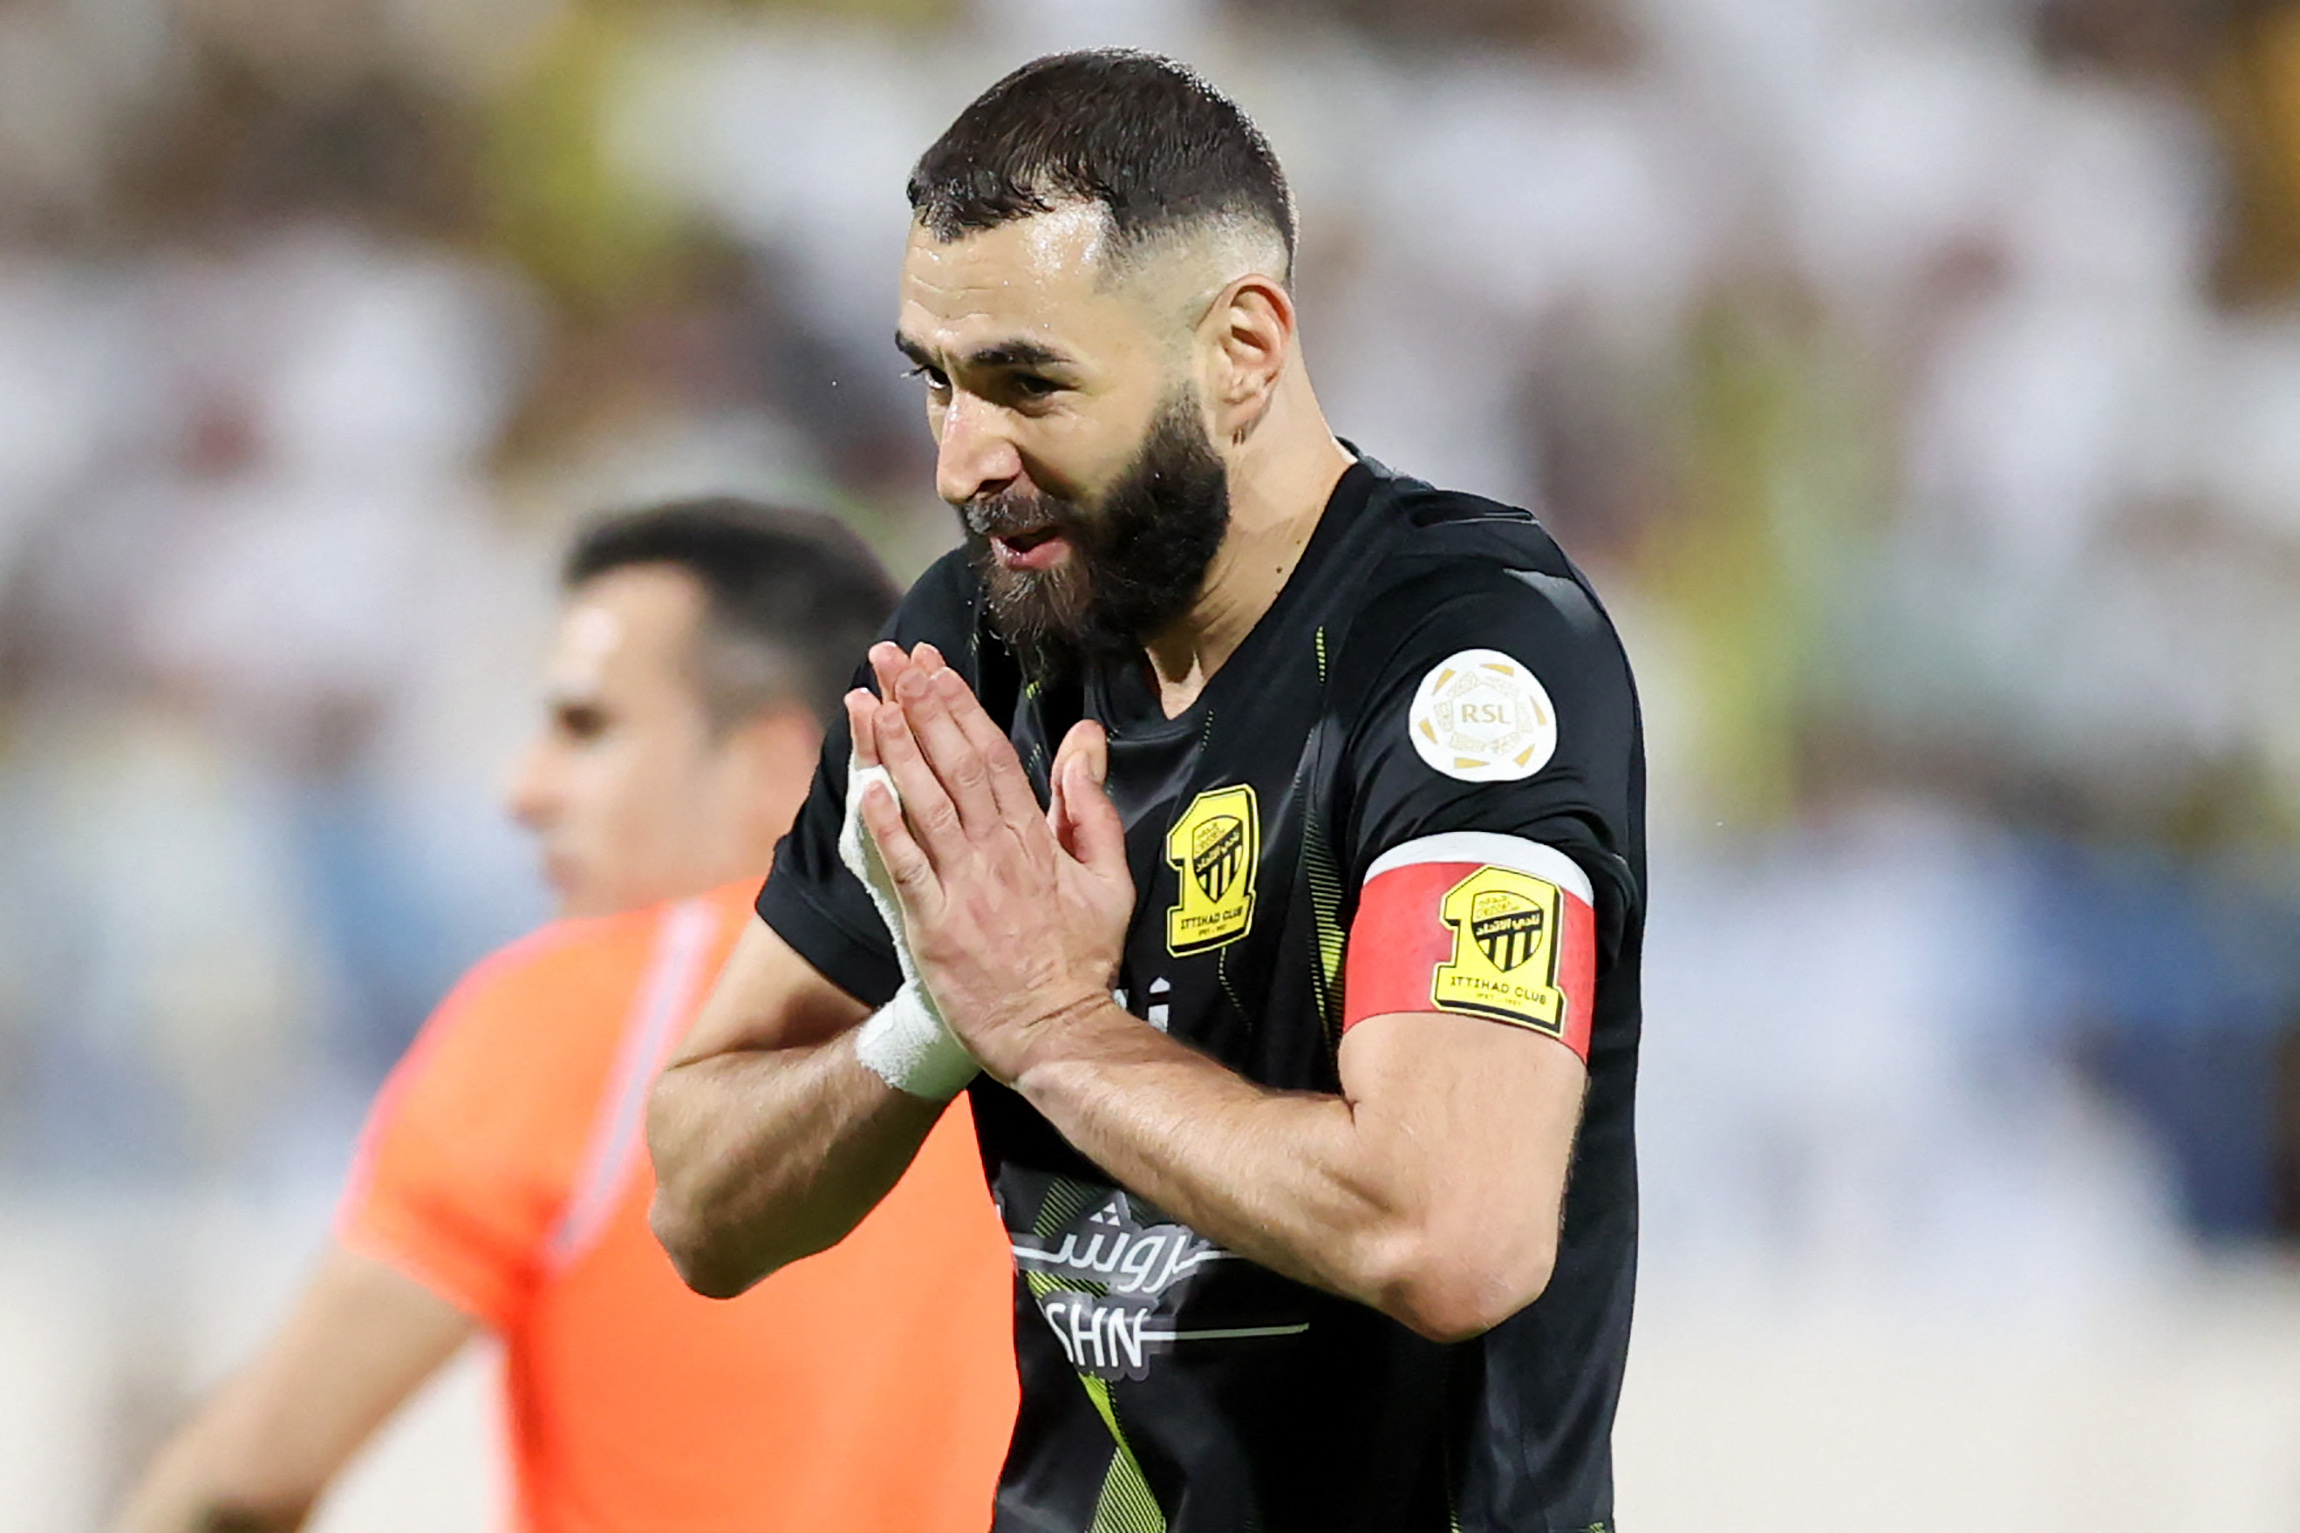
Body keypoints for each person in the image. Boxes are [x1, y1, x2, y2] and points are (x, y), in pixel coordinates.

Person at [648, 51, 1646, 1533]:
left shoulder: (1460, 658)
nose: (963, 462)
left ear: (1241, 349)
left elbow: (1452, 1234)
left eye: (1028, 383)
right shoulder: (973, 648)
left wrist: (1051, 1030)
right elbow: (697, 1203)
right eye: (936, 382)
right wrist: (933, 1021)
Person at [120, 498, 1018, 1533]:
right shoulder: (1043, 983)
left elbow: (240, 1483)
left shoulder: (580, 1013)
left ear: (775, 766)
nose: (525, 790)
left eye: (585, 728)